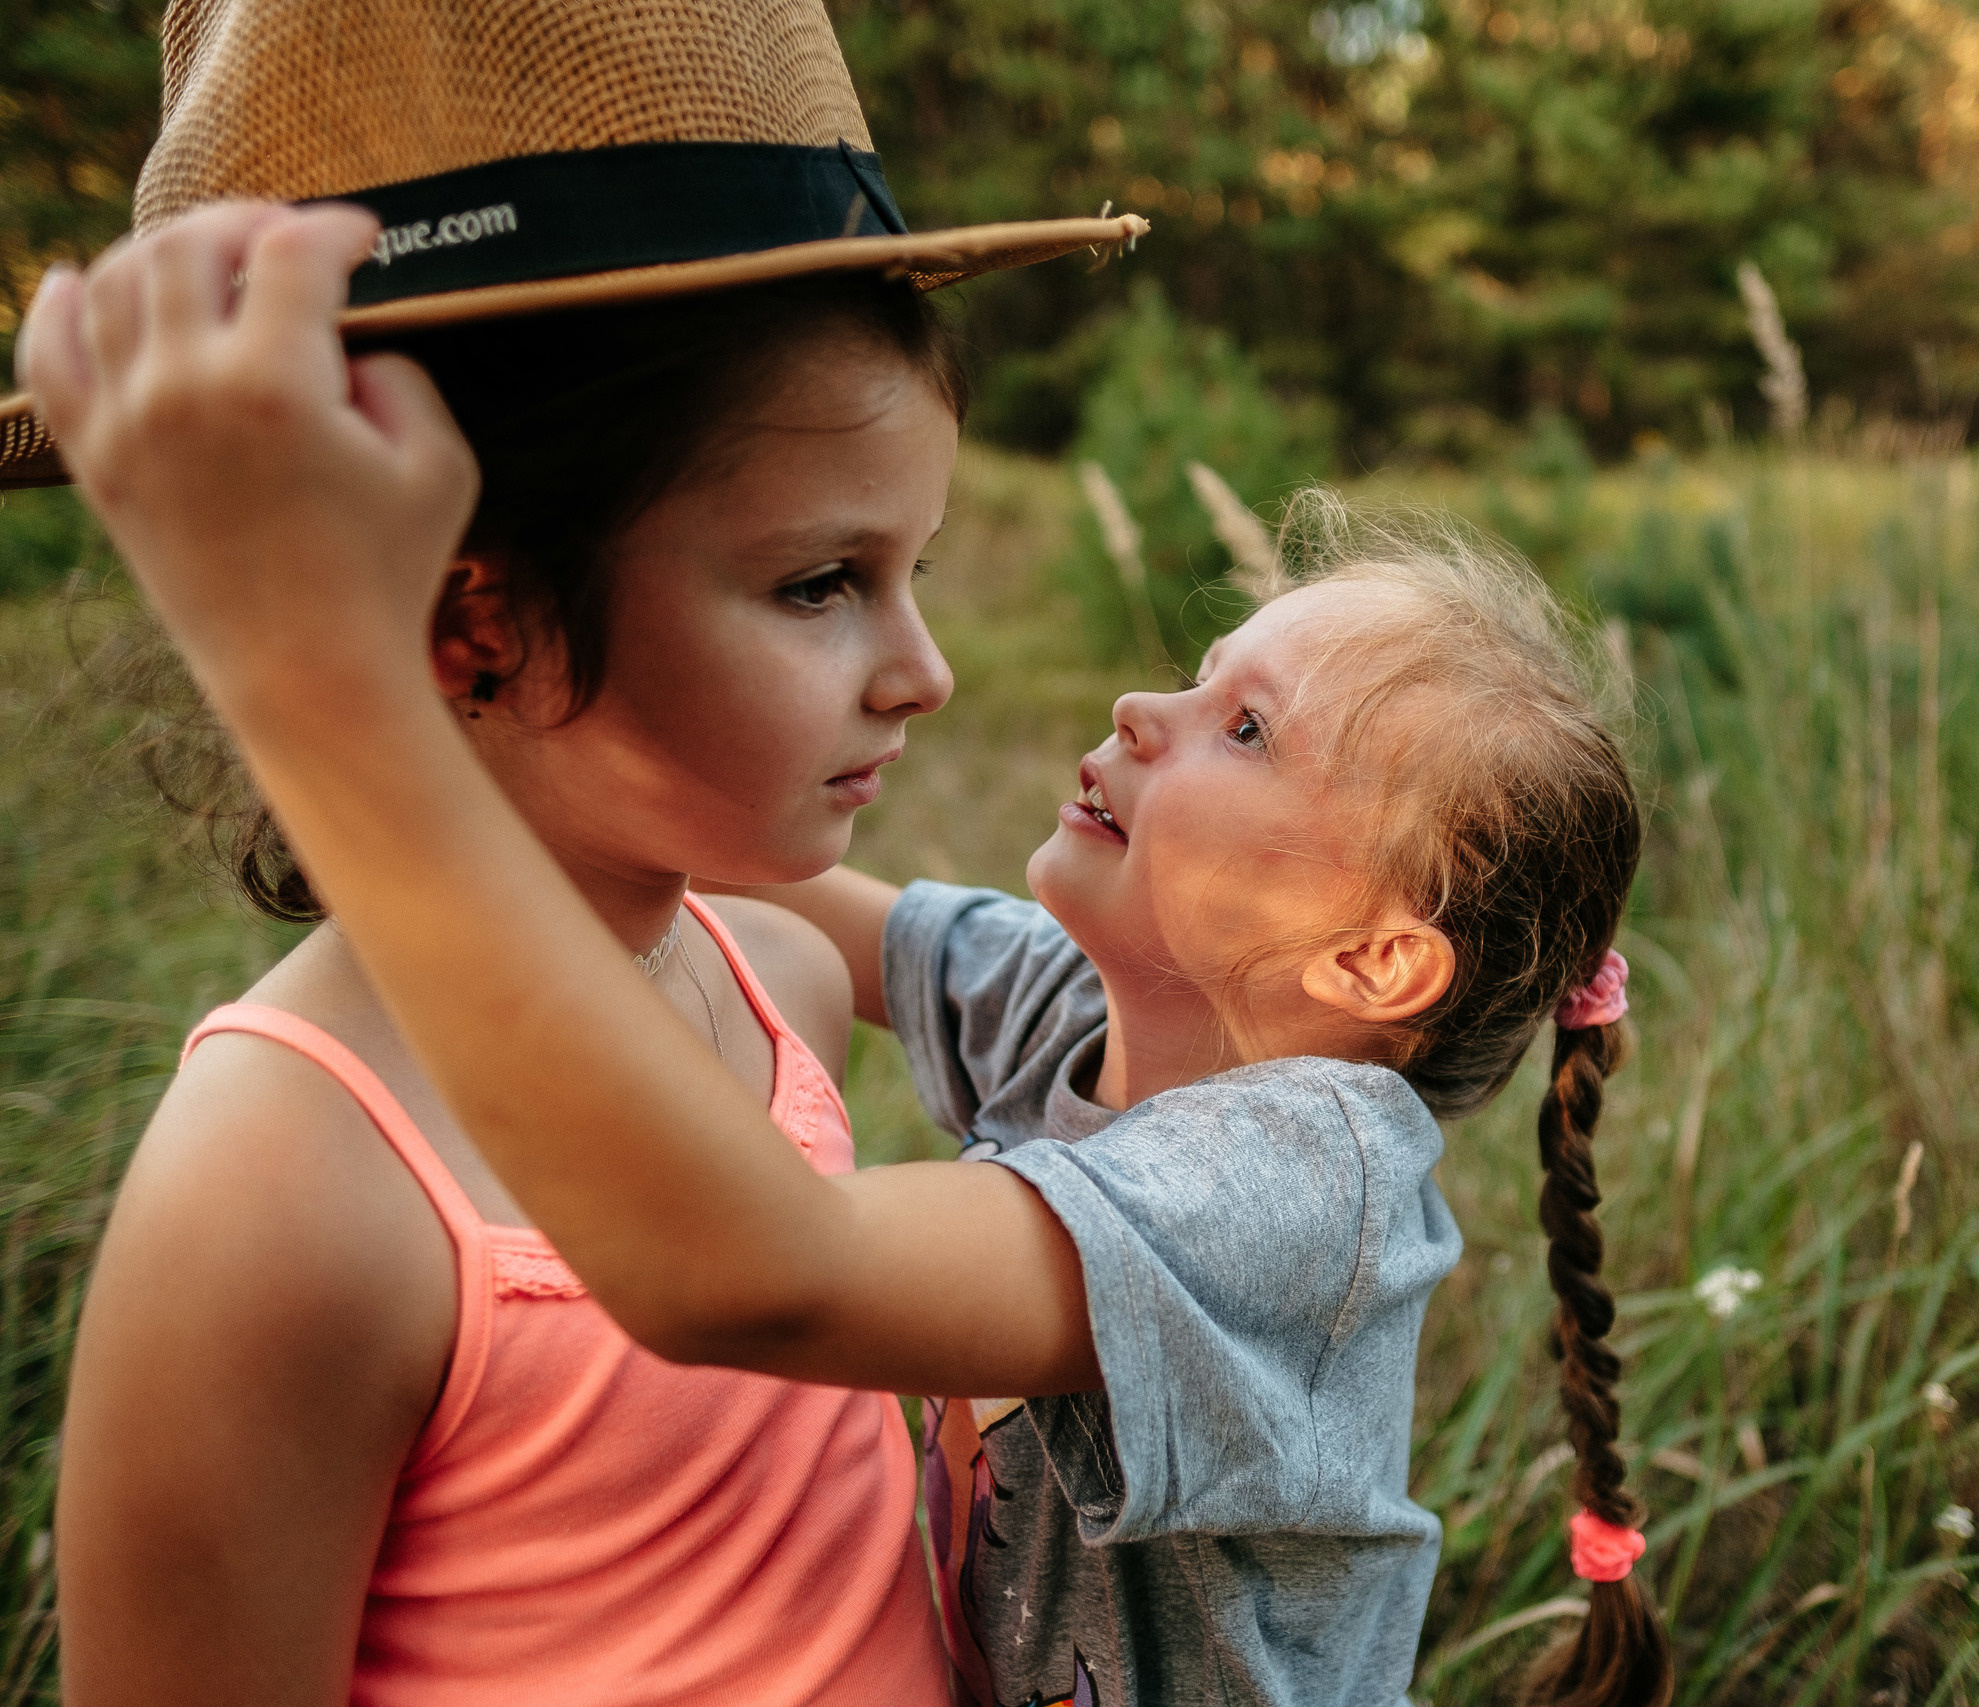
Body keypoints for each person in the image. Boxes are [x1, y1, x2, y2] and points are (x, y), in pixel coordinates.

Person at [2, 1, 1141, 1701]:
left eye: (917, 567)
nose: (927, 670)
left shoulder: (781, 976)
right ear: (480, 625)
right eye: (821, 584)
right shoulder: (281, 1191)